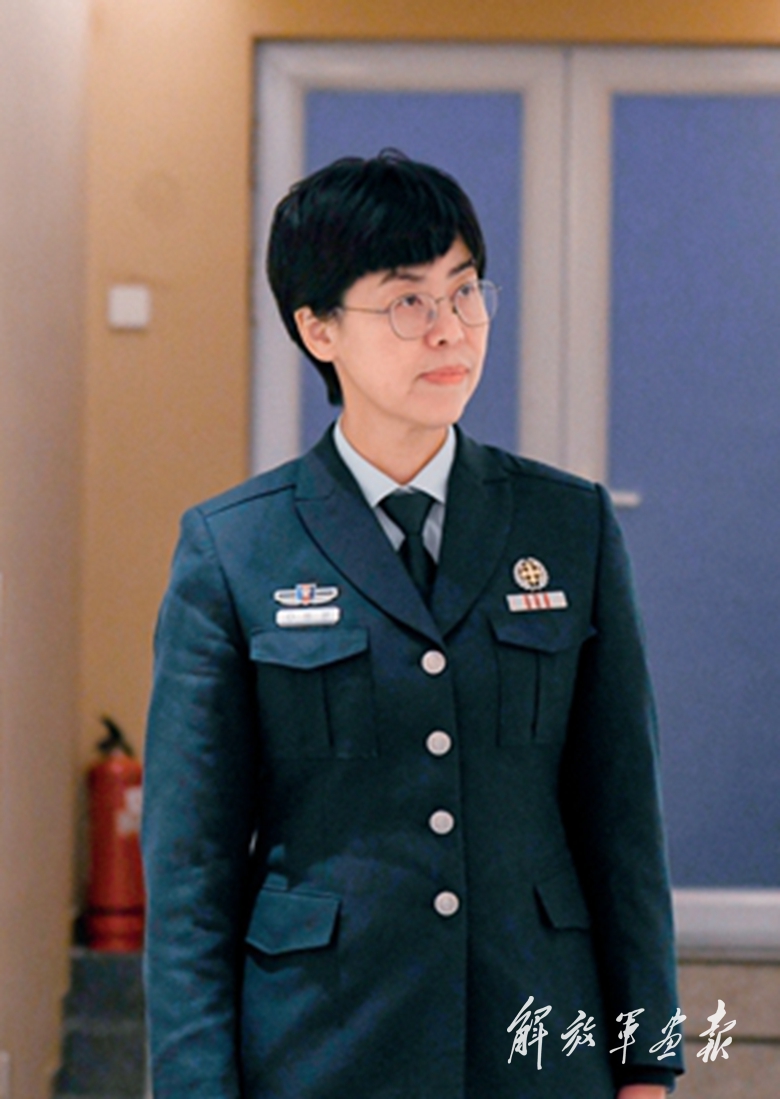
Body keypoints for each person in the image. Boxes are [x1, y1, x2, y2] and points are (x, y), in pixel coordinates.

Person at [142, 151, 684, 1098]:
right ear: (317, 328)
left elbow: (624, 820)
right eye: (407, 301)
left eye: (464, 291)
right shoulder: (236, 549)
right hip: (321, 1042)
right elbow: (192, 869)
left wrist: (650, 1060)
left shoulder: (570, 525)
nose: (450, 330)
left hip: (536, 1038)